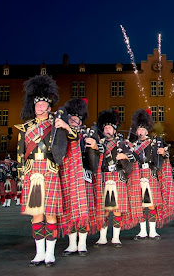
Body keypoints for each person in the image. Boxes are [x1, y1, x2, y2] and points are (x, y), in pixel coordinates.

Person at [15, 74, 63, 267]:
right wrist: (21, 173)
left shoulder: (55, 125)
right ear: (33, 107)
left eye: (44, 105)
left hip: (50, 169)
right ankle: (39, 252)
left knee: (51, 213)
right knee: (36, 214)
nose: (40, 107)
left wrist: (65, 125)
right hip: (32, 170)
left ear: (49, 107)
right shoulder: (24, 128)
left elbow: (73, 137)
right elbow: (20, 152)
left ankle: (50, 253)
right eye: (37, 105)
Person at [94, 109, 139, 248]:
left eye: (110, 127)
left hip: (118, 177)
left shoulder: (123, 143)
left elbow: (137, 156)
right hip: (105, 176)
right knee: (105, 210)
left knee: (117, 209)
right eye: (105, 127)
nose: (107, 129)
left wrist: (125, 156)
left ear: (114, 129)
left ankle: (115, 237)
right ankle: (102, 238)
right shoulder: (99, 143)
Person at [57, 98, 94, 257]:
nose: (74, 120)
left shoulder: (87, 134)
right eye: (71, 117)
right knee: (69, 210)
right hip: (66, 175)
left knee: (82, 211)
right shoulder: (62, 134)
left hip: (83, 176)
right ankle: (72, 243)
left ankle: (82, 243)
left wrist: (95, 146)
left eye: (77, 118)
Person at [128, 108, 165, 240]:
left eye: (143, 130)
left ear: (147, 131)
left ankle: (153, 231)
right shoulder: (132, 145)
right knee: (140, 204)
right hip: (138, 175)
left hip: (150, 173)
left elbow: (161, 159)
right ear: (136, 131)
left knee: (152, 203)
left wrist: (163, 153)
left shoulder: (153, 143)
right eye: (139, 130)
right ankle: (142, 231)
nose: (141, 132)